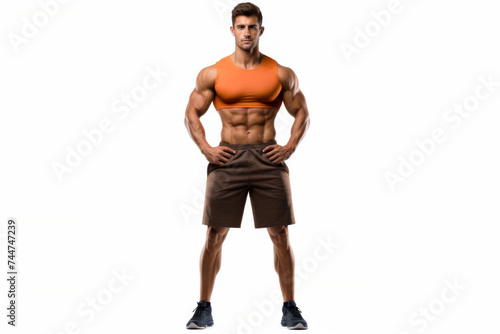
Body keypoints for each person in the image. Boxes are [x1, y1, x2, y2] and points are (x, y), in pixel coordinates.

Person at [184, 2, 310, 330]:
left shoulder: (281, 73)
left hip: (269, 157)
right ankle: (203, 307)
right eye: (241, 27)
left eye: (252, 27)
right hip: (228, 158)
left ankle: (290, 307)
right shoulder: (213, 73)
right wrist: (206, 148)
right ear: (232, 30)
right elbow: (191, 113)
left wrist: (290, 146)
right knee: (214, 234)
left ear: (261, 30)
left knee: (280, 234)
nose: (247, 32)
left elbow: (302, 112)